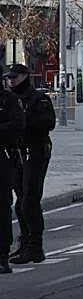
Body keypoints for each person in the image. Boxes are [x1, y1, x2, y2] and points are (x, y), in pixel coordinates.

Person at [7, 65, 54, 265]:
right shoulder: (10, 100)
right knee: (20, 202)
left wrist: (23, 118)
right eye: (9, 78)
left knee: (29, 200)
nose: (11, 81)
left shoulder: (38, 99)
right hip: (17, 154)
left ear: (25, 76)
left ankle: (36, 247)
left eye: (14, 77)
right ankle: (25, 243)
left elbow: (48, 123)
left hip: (35, 153)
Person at [0, 78, 24, 274]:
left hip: (3, 157)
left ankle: (2, 255)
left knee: (2, 207)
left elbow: (17, 125)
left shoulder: (8, 100)